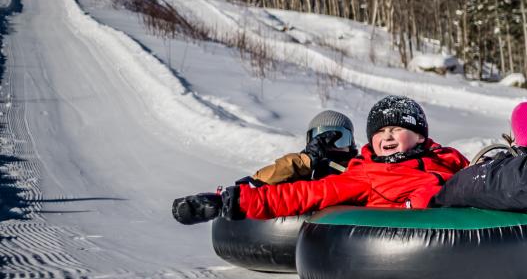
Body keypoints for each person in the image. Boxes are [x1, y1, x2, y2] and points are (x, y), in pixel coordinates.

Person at [172, 96, 469, 223]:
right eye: (380, 132)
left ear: (420, 137)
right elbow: (303, 193)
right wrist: (231, 201)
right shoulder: (362, 174)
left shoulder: (448, 158)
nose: (388, 137)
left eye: (397, 129)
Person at [236, 110, 358, 187]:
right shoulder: (298, 174)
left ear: (351, 144)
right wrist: (305, 161)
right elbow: (253, 185)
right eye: (320, 140)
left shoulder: (360, 172)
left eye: (340, 140)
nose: (330, 146)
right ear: (311, 142)